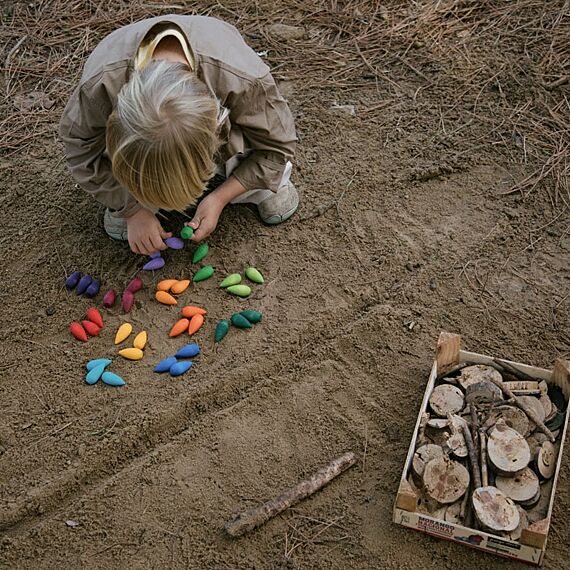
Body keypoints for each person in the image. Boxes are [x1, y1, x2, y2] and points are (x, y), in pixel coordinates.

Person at [59, 15, 298, 255]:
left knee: (264, 153)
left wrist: (219, 198)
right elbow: (80, 153)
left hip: (229, 119)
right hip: (131, 134)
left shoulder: (243, 80)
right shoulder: (98, 88)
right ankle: (130, 199)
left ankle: (258, 188)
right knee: (113, 171)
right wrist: (132, 210)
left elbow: (277, 146)